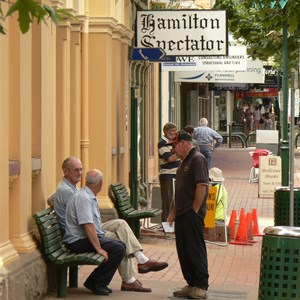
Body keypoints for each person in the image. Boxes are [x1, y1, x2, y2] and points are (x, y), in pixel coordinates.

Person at [48, 156, 168, 293]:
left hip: (82, 229)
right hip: (79, 233)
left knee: (120, 224)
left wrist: (63, 212)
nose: (79, 173)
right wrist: (68, 220)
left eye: (81, 169)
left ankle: (142, 260)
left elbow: (50, 200)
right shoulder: (69, 191)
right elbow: (85, 222)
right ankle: (129, 279)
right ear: (66, 171)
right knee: (119, 240)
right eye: (76, 170)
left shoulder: (69, 187)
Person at [63, 169, 126, 295]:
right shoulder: (84, 198)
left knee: (121, 246)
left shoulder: (88, 195)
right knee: (118, 249)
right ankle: (95, 282)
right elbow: (88, 225)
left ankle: (97, 281)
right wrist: (99, 249)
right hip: (77, 241)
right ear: (100, 184)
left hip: (82, 238)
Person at [167, 131, 209, 299]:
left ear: (184, 143)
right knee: (183, 250)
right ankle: (191, 283)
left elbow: (202, 185)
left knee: (194, 249)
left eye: (175, 146)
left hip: (192, 214)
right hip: (183, 213)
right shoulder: (184, 161)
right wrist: (174, 212)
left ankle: (200, 285)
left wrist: (195, 209)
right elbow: (181, 191)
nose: (173, 150)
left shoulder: (197, 159)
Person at [157, 122, 180, 222]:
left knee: (175, 201)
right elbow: (170, 158)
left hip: (175, 174)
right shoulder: (162, 143)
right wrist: (181, 153)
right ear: (166, 131)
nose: (174, 133)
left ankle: (173, 224)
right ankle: (166, 224)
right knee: (168, 201)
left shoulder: (173, 142)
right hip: (167, 175)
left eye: (175, 131)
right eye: (172, 131)